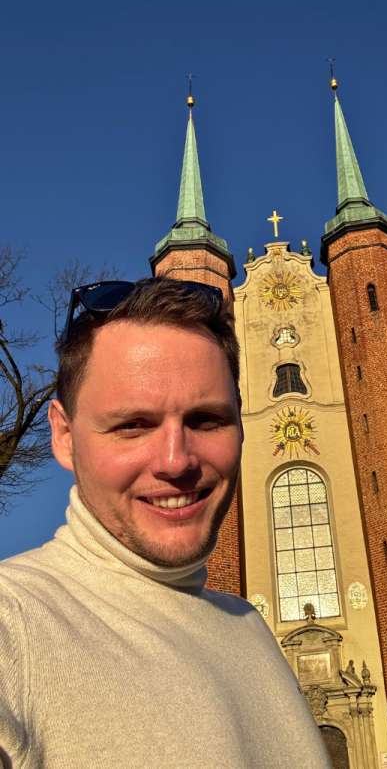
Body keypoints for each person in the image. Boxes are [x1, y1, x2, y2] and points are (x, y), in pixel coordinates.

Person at [0, 278, 330, 768]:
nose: (176, 462)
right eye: (133, 425)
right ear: (65, 437)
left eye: (206, 420)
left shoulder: (249, 628)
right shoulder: (15, 618)